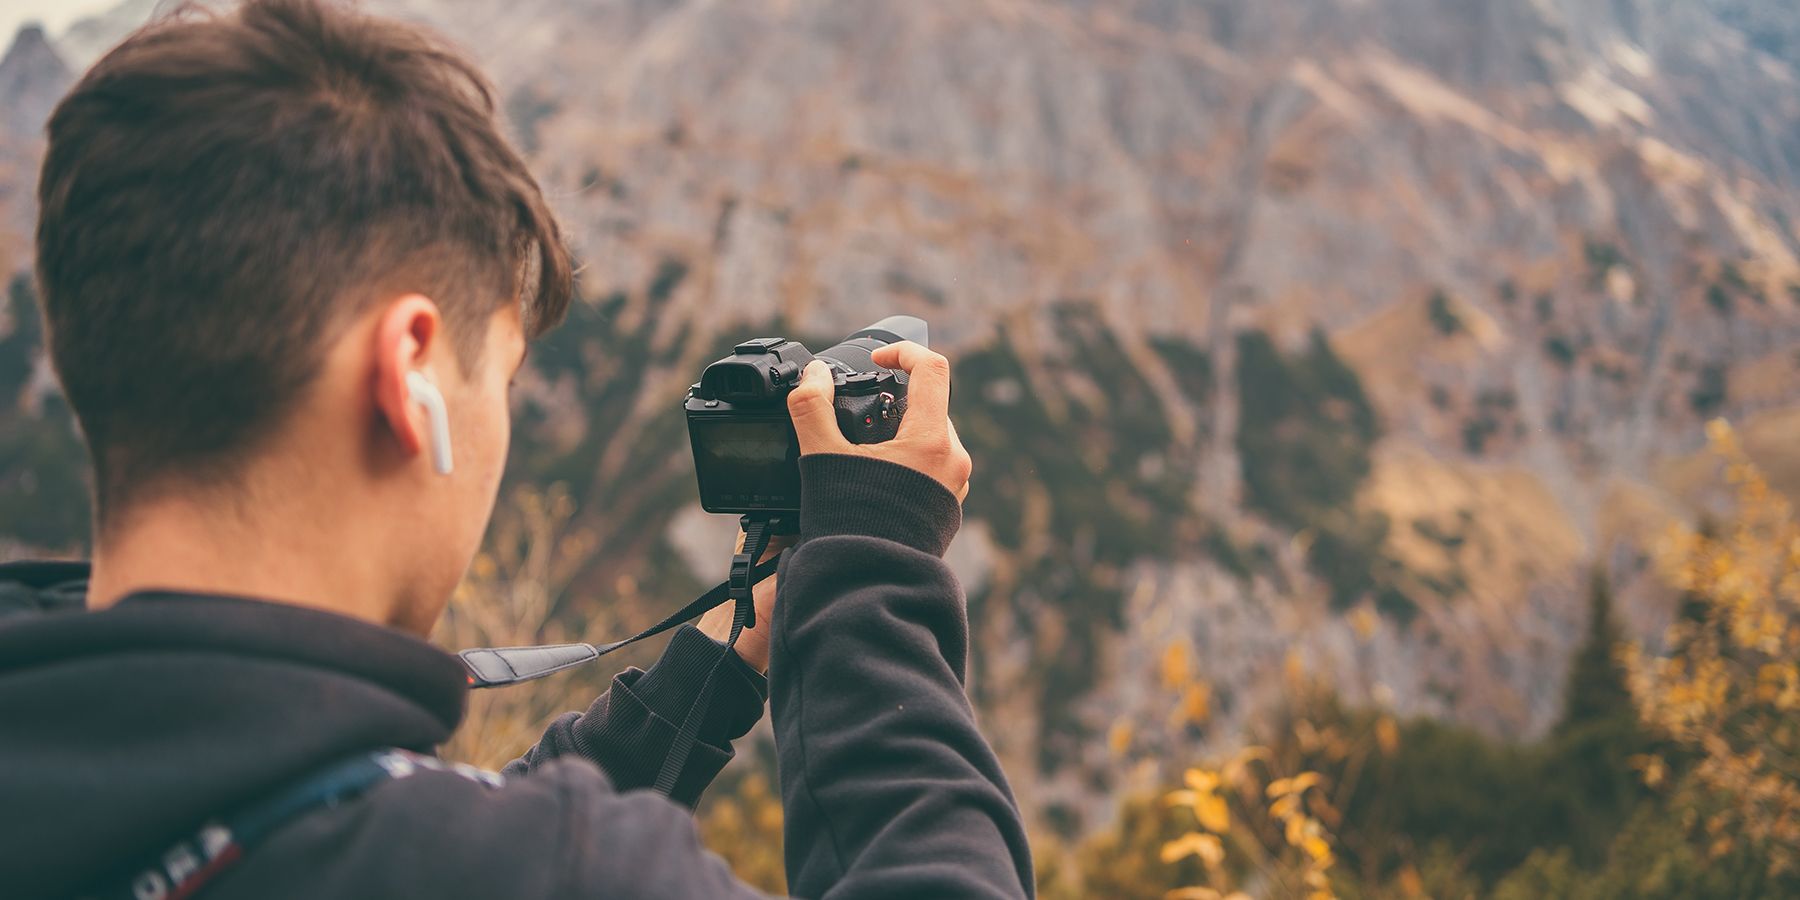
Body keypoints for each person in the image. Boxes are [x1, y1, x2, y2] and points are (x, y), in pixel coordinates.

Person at [0, 1, 1034, 897]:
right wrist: (875, 578)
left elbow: (367, 824)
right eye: (495, 380)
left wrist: (706, 677)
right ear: (408, 372)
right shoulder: (560, 873)